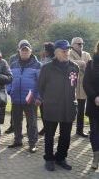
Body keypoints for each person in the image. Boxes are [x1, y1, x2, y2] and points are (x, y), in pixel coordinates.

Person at [39, 40, 79, 171]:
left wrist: (74, 103)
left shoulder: (74, 67)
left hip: (68, 107)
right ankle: (49, 159)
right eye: (64, 51)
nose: (67, 53)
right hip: (51, 107)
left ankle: (61, 157)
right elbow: (41, 87)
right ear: (56, 52)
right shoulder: (46, 68)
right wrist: (48, 100)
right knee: (49, 135)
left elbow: (73, 86)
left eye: (68, 50)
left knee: (65, 136)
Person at [7, 40, 40, 153]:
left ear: (31, 52)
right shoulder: (13, 64)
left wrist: (38, 97)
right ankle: (17, 140)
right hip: (15, 97)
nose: (25, 52)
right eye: (23, 50)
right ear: (19, 51)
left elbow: (41, 82)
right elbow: (9, 80)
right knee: (16, 121)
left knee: (32, 122)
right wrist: (9, 90)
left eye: (27, 50)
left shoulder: (37, 65)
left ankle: (32, 143)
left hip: (30, 98)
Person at [69, 37, 92, 138]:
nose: (81, 45)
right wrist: (82, 63)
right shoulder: (68, 53)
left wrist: (79, 63)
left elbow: (91, 65)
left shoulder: (87, 54)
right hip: (71, 84)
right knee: (70, 109)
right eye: (78, 43)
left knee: (82, 109)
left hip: (84, 85)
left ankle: (80, 130)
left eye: (82, 43)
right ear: (73, 44)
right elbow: (68, 63)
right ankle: (65, 129)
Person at [83, 41, 99, 170]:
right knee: (94, 132)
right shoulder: (91, 64)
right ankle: (95, 158)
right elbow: (86, 83)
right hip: (95, 105)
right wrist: (95, 97)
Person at [38, 42, 55, 136]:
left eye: (44, 49)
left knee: (45, 110)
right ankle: (46, 127)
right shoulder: (44, 59)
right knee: (43, 110)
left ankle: (47, 128)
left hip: (47, 90)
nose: (43, 51)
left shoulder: (49, 61)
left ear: (48, 51)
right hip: (44, 89)